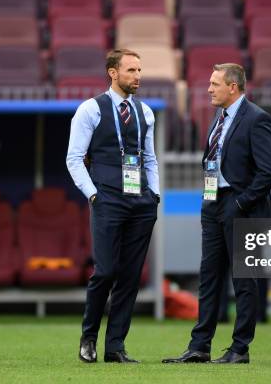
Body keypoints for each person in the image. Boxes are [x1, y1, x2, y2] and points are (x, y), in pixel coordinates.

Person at [162, 63, 271, 364]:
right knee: (209, 278)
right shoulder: (219, 116)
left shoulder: (257, 119)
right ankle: (200, 346)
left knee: (243, 280)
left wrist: (241, 203)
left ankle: (240, 349)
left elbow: (269, 171)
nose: (209, 89)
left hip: (241, 207)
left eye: (215, 84)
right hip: (213, 203)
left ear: (233, 87)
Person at [66, 49, 160, 363]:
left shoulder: (145, 112)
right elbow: (74, 159)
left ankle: (115, 347)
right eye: (131, 70)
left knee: (131, 276)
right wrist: (93, 195)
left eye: (139, 70)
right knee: (105, 272)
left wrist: (155, 194)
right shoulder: (90, 109)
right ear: (113, 72)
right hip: (107, 199)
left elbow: (149, 158)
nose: (138, 76)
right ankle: (88, 337)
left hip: (141, 202)